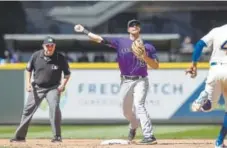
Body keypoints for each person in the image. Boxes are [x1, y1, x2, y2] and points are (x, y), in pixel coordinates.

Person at [74, 19, 159, 145]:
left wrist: (145, 56)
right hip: (125, 81)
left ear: (139, 29)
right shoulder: (121, 42)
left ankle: (149, 136)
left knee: (139, 105)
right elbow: (99, 39)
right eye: (131, 25)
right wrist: (85, 31)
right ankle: (133, 125)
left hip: (141, 79)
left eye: (136, 25)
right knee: (126, 112)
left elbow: (156, 66)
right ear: (128, 29)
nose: (134, 26)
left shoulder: (148, 46)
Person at [10, 36, 71, 143]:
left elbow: (67, 74)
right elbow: (28, 70)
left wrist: (62, 85)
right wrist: (28, 83)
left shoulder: (59, 57)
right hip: (37, 87)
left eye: (52, 45)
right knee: (28, 110)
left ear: (54, 46)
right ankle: (20, 137)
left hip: (53, 87)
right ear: (43, 46)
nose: (50, 47)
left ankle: (57, 136)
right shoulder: (36, 55)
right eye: (47, 45)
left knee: (54, 108)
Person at [186, 24, 227, 148]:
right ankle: (219, 141)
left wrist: (194, 64)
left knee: (209, 107)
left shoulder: (217, 30)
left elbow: (199, 45)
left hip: (215, 70)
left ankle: (203, 98)